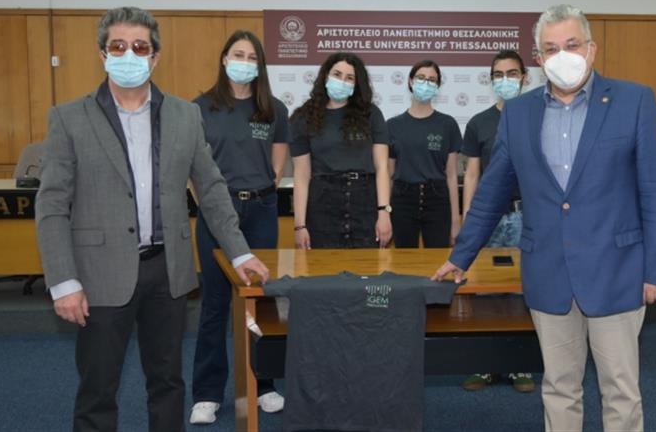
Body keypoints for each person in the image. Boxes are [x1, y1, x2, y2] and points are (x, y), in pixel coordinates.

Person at [434, 4, 656, 432]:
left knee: (620, 389)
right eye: (550, 48)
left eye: (572, 44)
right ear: (538, 58)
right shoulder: (518, 112)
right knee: (560, 387)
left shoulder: (634, 101)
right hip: (547, 271)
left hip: (616, 270)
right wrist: (461, 255)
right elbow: (492, 191)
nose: (562, 55)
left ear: (591, 49)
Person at [35, 7, 270, 432]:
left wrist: (239, 253)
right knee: (97, 389)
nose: (129, 54)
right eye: (118, 46)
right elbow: (51, 205)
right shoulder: (69, 118)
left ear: (155, 56)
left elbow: (211, 188)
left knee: (167, 384)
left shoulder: (185, 115)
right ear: (103, 54)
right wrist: (63, 281)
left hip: (167, 272)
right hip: (99, 274)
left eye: (139, 47)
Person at [189, 30, 289, 425]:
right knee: (215, 304)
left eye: (252, 57)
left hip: (261, 210)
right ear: (224, 59)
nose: (245, 62)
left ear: (260, 65)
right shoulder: (200, 107)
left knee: (261, 301)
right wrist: (212, 206)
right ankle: (207, 393)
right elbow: (192, 169)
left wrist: (262, 188)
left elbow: (277, 163)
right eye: (238, 54)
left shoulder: (273, 109)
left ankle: (264, 385)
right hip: (218, 212)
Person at [458, 50, 535, 393]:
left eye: (512, 73)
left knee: (521, 289)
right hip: (487, 219)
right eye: (498, 75)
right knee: (485, 291)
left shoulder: (537, 117)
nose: (505, 80)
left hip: (525, 216)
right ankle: (485, 365)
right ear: (490, 81)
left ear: (525, 77)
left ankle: (519, 366)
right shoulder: (479, 122)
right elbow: (472, 175)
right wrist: (467, 220)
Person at [290, 52, 392, 249]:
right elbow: (301, 175)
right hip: (322, 205)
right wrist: (300, 225)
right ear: (325, 76)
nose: (342, 81)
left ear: (356, 84)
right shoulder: (303, 117)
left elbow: (382, 167)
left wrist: (384, 212)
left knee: (366, 266)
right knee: (323, 266)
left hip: (365, 203)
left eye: (349, 78)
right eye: (337, 74)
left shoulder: (371, 114)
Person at [387, 60, 462, 248]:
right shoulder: (393, 125)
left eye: (431, 80)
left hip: (437, 199)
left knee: (437, 258)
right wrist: (384, 214)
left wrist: (455, 220)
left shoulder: (448, 124)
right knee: (403, 259)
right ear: (411, 81)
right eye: (421, 78)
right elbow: (388, 175)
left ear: (437, 86)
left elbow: (452, 176)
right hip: (402, 200)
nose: (426, 83)